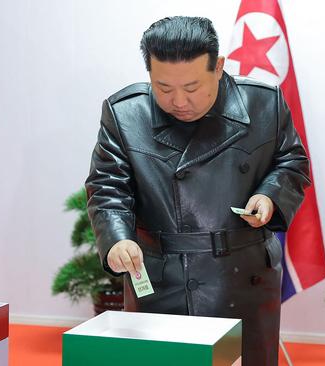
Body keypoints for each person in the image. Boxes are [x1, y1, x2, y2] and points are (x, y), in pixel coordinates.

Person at [85, 16, 310, 365]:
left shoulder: (263, 103)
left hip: (242, 276)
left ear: (218, 67)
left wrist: (269, 195)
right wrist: (117, 238)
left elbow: (292, 162)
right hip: (162, 278)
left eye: (191, 88)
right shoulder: (125, 113)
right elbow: (108, 187)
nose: (178, 101)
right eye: (163, 88)